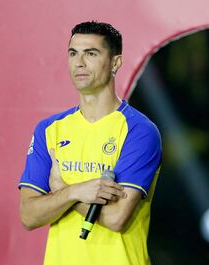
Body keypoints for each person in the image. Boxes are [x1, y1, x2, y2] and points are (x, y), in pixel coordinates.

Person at [19, 21, 162, 265]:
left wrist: (61, 189)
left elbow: (117, 218)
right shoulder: (49, 129)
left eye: (91, 53)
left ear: (115, 62)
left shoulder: (139, 131)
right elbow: (29, 215)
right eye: (73, 53)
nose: (79, 63)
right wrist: (74, 191)